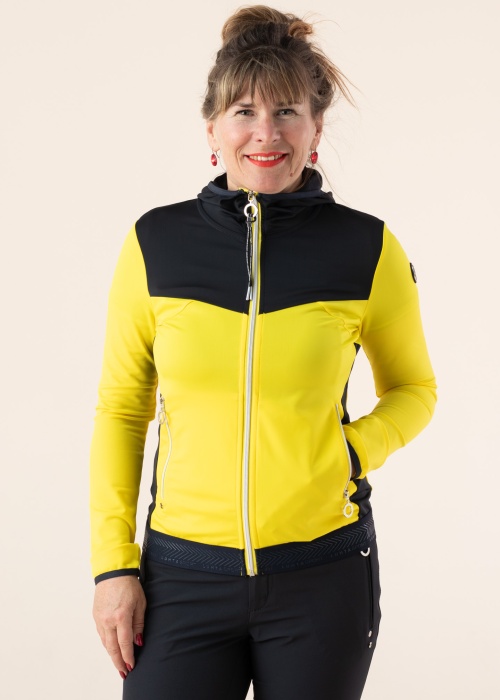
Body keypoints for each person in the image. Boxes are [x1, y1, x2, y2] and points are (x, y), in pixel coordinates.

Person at [90, 6, 437, 699]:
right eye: (244, 111)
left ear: (316, 128)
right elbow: (123, 411)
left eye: (287, 112)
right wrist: (113, 566)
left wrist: (349, 452)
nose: (266, 133)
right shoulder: (155, 245)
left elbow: (415, 391)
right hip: (180, 576)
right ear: (212, 129)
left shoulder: (366, 248)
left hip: (322, 578)